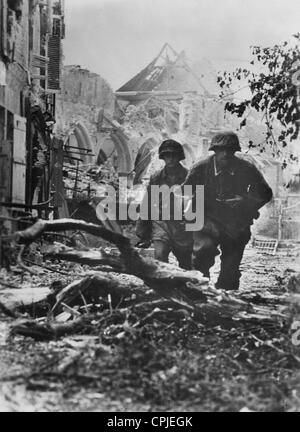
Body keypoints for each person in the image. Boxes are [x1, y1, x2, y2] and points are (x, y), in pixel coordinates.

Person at [183, 131, 273, 290]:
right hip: (206, 219)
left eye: (230, 150)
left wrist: (244, 201)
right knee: (203, 252)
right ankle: (198, 290)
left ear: (234, 151)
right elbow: (185, 192)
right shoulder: (201, 168)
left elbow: (265, 193)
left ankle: (226, 302)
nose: (225, 154)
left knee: (230, 269)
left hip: (235, 223)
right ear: (214, 151)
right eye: (221, 150)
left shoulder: (246, 168)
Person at [136, 139, 193, 269]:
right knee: (160, 255)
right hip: (161, 222)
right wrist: (143, 233)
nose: (171, 159)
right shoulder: (157, 177)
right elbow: (148, 202)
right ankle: (162, 286)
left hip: (182, 224)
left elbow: (196, 201)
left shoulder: (189, 176)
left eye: (174, 155)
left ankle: (185, 287)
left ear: (179, 157)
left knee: (186, 262)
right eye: (167, 156)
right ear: (163, 157)